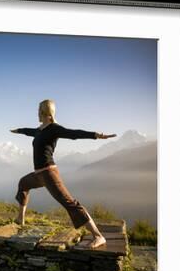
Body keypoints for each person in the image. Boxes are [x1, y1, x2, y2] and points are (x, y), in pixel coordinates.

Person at [10, 99, 116, 249]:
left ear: (47, 113)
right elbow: (29, 131)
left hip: (49, 173)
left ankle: (98, 236)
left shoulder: (54, 128)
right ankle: (20, 219)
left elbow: (74, 134)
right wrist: (19, 131)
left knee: (69, 203)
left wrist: (96, 135)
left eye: (40, 111)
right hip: (39, 175)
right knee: (23, 183)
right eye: (38, 111)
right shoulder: (40, 130)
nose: (37, 114)